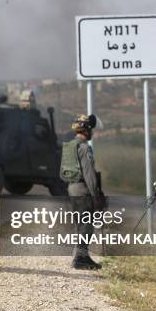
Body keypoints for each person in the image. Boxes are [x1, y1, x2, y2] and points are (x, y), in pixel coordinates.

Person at [59, 114, 105, 270]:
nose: (92, 132)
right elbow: (89, 174)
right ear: (86, 130)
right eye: (90, 129)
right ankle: (80, 259)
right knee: (86, 225)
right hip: (83, 191)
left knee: (80, 224)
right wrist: (96, 195)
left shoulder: (70, 146)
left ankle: (81, 256)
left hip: (71, 189)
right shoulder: (85, 147)